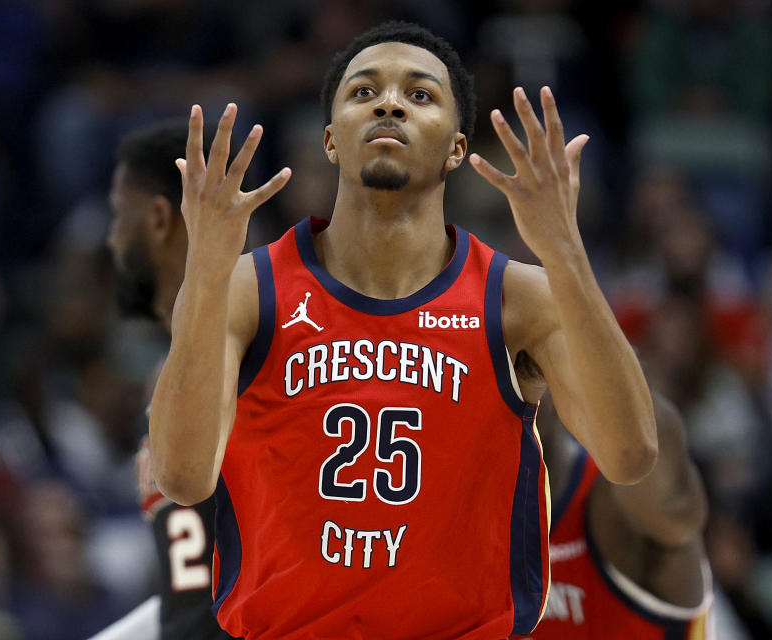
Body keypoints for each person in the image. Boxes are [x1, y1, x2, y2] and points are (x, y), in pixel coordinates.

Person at [151, 21, 658, 638]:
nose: (389, 102)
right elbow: (181, 477)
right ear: (331, 140)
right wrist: (202, 269)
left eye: (420, 95)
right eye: (364, 91)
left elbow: (630, 456)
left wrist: (564, 249)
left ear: (456, 147)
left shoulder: (520, 298)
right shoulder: (243, 290)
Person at [91, 121, 234, 640]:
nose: (110, 237)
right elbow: (192, 591)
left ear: (156, 218)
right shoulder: (165, 373)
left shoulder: (255, 347)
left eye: (116, 214)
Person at [513, 392, 715, 639]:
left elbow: (675, 508)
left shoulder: (620, 500)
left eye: (518, 361)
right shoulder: (465, 517)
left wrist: (606, 369)